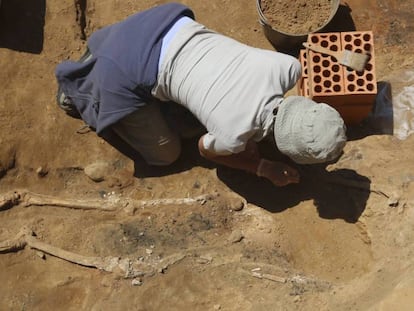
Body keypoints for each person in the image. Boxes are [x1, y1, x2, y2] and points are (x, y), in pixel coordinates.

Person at [55, 2, 347, 187]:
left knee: (189, 108)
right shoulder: (232, 134)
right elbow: (205, 149)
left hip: (164, 23)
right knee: (166, 154)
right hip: (122, 71)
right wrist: (261, 166)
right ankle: (82, 86)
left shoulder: (287, 67)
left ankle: (111, 52)